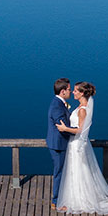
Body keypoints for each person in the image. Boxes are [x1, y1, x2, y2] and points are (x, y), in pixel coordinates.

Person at [54, 81, 108, 214]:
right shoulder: (82, 106)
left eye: (76, 91)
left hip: (76, 143)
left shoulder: (82, 110)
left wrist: (65, 128)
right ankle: (76, 196)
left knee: (77, 170)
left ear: (82, 93)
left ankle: (79, 199)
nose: (73, 92)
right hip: (76, 143)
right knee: (77, 170)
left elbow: (80, 130)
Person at [46, 78, 72, 208]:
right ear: (62, 91)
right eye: (68, 89)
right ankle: (56, 201)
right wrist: (78, 131)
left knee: (61, 171)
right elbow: (63, 127)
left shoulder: (59, 103)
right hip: (58, 144)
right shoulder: (57, 106)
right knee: (59, 173)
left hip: (59, 143)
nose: (71, 91)